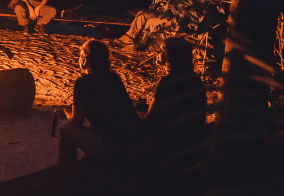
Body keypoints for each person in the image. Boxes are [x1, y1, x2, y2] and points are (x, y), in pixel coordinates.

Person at [56, 40, 146, 165]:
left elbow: (76, 120)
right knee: (93, 126)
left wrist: (65, 111)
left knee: (65, 128)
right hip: (140, 146)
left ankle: (64, 169)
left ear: (85, 61)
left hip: (117, 151)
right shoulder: (114, 77)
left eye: (80, 56)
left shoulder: (82, 82)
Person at [140, 37, 208, 169]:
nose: (158, 53)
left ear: (171, 55)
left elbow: (150, 118)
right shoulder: (195, 79)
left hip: (171, 142)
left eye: (162, 49)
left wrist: (132, 128)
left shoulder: (167, 81)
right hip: (193, 138)